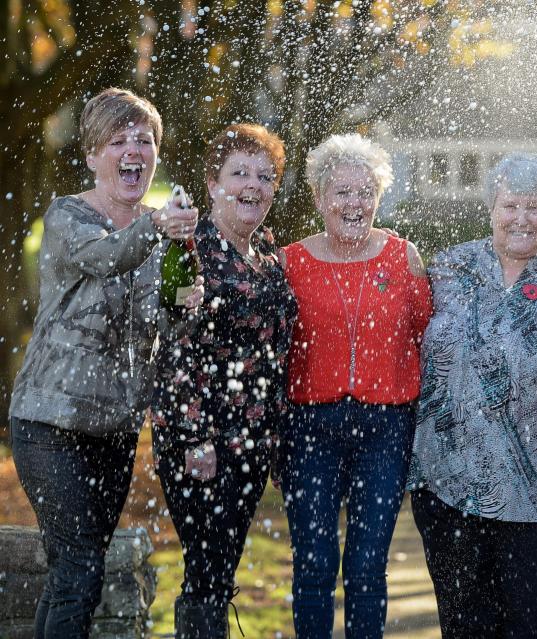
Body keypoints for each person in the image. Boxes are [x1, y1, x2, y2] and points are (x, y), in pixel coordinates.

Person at [8, 87, 201, 639]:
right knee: (80, 571)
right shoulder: (69, 216)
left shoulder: (164, 235)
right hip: (50, 424)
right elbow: (104, 258)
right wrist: (159, 228)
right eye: (117, 140)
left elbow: (167, 329)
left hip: (113, 428)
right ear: (93, 156)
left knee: (73, 573)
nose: (132, 149)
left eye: (144, 140)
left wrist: (185, 305)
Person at [407, 152, 537, 639]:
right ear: (492, 207)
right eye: (510, 205)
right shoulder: (450, 268)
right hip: (447, 481)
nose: (521, 219)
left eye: (535, 208)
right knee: (464, 625)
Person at [278, 133, 431, 639]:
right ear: (320, 198)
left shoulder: (404, 259)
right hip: (310, 429)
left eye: (364, 192)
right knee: (315, 563)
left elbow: (429, 342)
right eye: (341, 193)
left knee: (367, 566)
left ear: (379, 197)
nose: (354, 203)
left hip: (386, 428)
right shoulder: (289, 263)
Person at [151, 123, 296, 638]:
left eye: (265, 176)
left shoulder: (268, 260)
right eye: (239, 173)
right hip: (201, 440)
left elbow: (274, 355)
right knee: (206, 568)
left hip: (251, 440)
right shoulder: (189, 250)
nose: (252, 185)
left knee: (219, 566)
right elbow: (174, 347)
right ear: (213, 184)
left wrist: (275, 440)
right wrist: (195, 438)